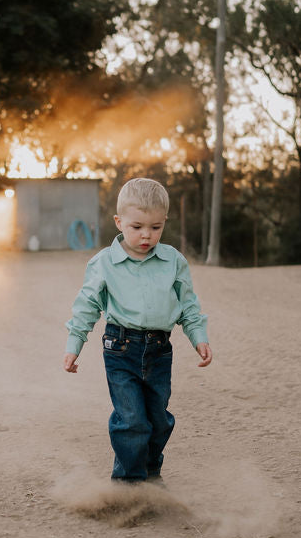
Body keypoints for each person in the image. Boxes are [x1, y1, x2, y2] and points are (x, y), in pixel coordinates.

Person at [63, 178, 213, 484]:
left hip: (159, 350)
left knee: (158, 421)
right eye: (137, 227)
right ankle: (129, 484)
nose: (146, 235)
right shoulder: (104, 263)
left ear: (164, 223)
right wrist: (73, 345)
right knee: (131, 420)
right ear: (119, 222)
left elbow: (188, 304)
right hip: (120, 349)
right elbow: (87, 306)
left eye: (156, 227)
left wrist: (199, 337)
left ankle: (150, 472)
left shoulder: (173, 261)